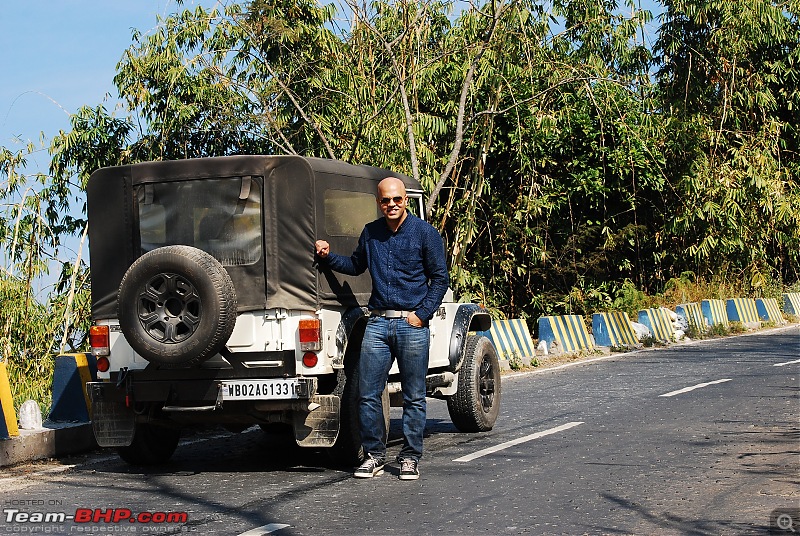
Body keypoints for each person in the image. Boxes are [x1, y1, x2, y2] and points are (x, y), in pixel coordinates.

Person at [315, 177, 449, 480]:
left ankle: (410, 457)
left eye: (397, 199)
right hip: (376, 323)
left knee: (414, 396)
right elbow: (355, 266)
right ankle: (374, 455)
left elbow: (440, 279)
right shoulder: (371, 233)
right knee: (367, 393)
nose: (392, 205)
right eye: (386, 200)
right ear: (379, 202)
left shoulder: (425, 234)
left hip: (411, 325)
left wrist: (421, 314)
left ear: (406, 200)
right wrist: (326, 256)